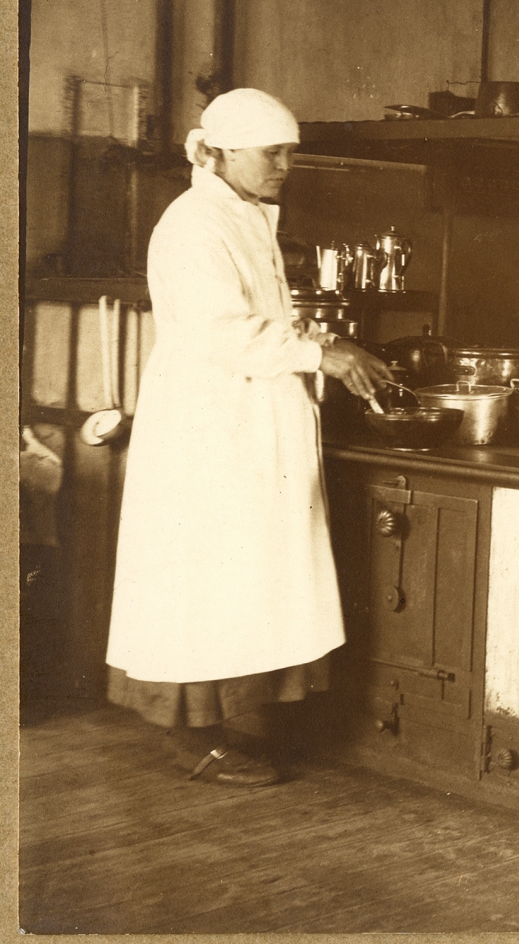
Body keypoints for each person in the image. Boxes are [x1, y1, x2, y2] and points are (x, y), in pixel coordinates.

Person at [106, 88, 393, 786]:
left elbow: (260, 319)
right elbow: (220, 331)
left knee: (241, 580)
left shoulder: (245, 216)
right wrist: (318, 355)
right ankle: (194, 737)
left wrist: (317, 343)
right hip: (207, 428)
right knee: (203, 580)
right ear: (225, 152)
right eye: (274, 152)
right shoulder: (193, 224)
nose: (286, 165)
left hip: (247, 421)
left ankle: (231, 727)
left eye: (291, 151)